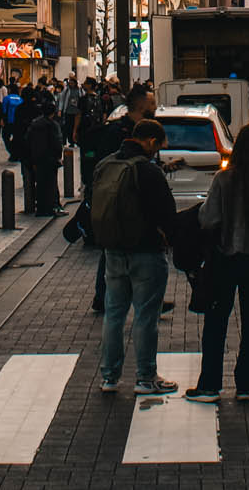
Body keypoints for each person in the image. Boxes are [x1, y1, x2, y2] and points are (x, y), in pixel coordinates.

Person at [185, 123, 249, 403]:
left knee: (216, 323)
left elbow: (208, 219)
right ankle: (245, 386)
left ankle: (210, 385)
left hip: (226, 259)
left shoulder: (224, 180)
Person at [93, 119, 177, 395]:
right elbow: (167, 214)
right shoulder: (147, 171)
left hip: (113, 250)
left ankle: (109, 376)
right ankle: (145, 377)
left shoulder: (106, 165)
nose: (159, 151)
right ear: (150, 141)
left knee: (114, 315)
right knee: (145, 317)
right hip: (146, 253)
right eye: (158, 146)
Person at [87, 84, 157, 312]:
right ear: (140, 107)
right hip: (118, 203)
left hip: (135, 202)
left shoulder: (145, 131)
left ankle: (110, 296)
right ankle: (117, 297)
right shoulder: (117, 133)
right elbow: (106, 167)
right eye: (152, 105)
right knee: (115, 251)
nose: (156, 108)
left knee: (115, 252)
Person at [27, 97, 65, 215]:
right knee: (51, 183)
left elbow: (28, 140)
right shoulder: (53, 125)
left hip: (37, 158)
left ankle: (41, 207)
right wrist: (59, 156)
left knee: (40, 182)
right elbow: (57, 142)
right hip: (50, 158)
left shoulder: (34, 124)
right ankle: (52, 207)